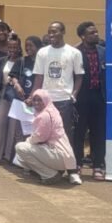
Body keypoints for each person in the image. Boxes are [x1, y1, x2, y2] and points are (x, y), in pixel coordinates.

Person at [30, 21, 84, 153]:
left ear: (63, 32)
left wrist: (73, 95)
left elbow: (79, 77)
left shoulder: (74, 53)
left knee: (63, 133)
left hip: (64, 100)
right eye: (49, 32)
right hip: (45, 101)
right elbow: (39, 77)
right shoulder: (42, 52)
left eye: (54, 31)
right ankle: (46, 164)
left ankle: (66, 163)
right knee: (42, 131)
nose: (51, 34)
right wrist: (33, 96)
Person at [14, 90, 79, 185]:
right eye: (35, 100)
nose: (36, 103)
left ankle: (49, 174)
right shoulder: (53, 110)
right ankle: (53, 171)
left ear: (46, 100)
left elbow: (39, 137)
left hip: (58, 155)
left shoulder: (45, 115)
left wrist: (28, 141)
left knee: (20, 148)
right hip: (63, 155)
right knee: (23, 154)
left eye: (40, 100)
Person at [74, 21, 106, 180]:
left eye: (96, 32)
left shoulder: (104, 52)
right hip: (81, 97)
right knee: (79, 132)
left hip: (99, 97)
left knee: (98, 133)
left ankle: (98, 166)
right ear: (83, 36)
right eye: (92, 33)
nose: (96, 34)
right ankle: (77, 164)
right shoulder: (74, 52)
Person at [0, 34, 23, 165]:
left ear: (19, 48)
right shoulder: (2, 60)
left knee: (15, 129)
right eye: (10, 46)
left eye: (15, 47)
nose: (12, 49)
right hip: (3, 95)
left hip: (18, 98)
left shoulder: (23, 61)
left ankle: (11, 157)